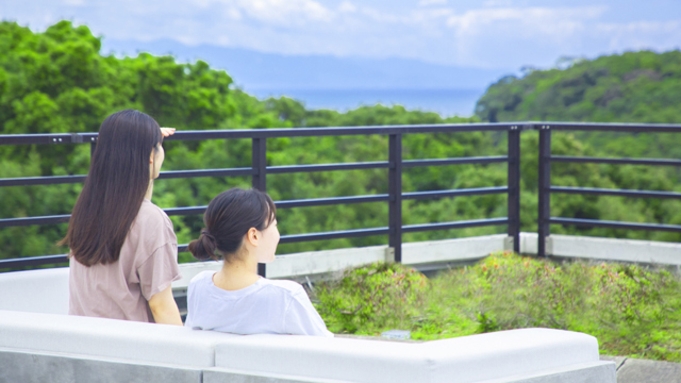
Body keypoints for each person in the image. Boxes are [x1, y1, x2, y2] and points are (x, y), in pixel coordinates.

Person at [61, 109, 183, 325]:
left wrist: (148, 140)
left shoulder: (87, 208)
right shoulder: (151, 221)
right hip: (129, 351)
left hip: (82, 344)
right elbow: (161, 306)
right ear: (150, 156)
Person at [184, 188, 332, 337]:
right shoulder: (286, 297)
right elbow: (327, 352)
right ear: (253, 236)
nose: (278, 235)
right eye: (274, 225)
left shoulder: (199, 286)